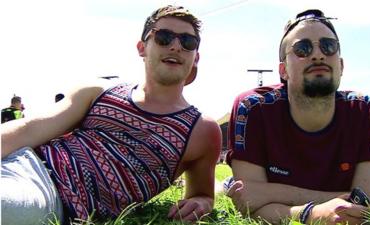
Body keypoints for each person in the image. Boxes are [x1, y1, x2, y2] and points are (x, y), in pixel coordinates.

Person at [1, 5, 222, 225]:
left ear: (196, 57)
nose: (175, 46)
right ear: (142, 47)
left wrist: (202, 202)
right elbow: (29, 129)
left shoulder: (202, 129)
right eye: (164, 37)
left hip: (50, 198)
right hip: (25, 165)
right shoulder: (98, 91)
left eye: (187, 41)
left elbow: (202, 193)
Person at [225, 9, 370, 225]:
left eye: (329, 46)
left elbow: (368, 205)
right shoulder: (253, 108)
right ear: (283, 71)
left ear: (341, 65)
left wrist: (271, 193)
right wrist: (311, 214)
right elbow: (248, 204)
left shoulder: (362, 109)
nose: (318, 54)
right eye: (302, 49)